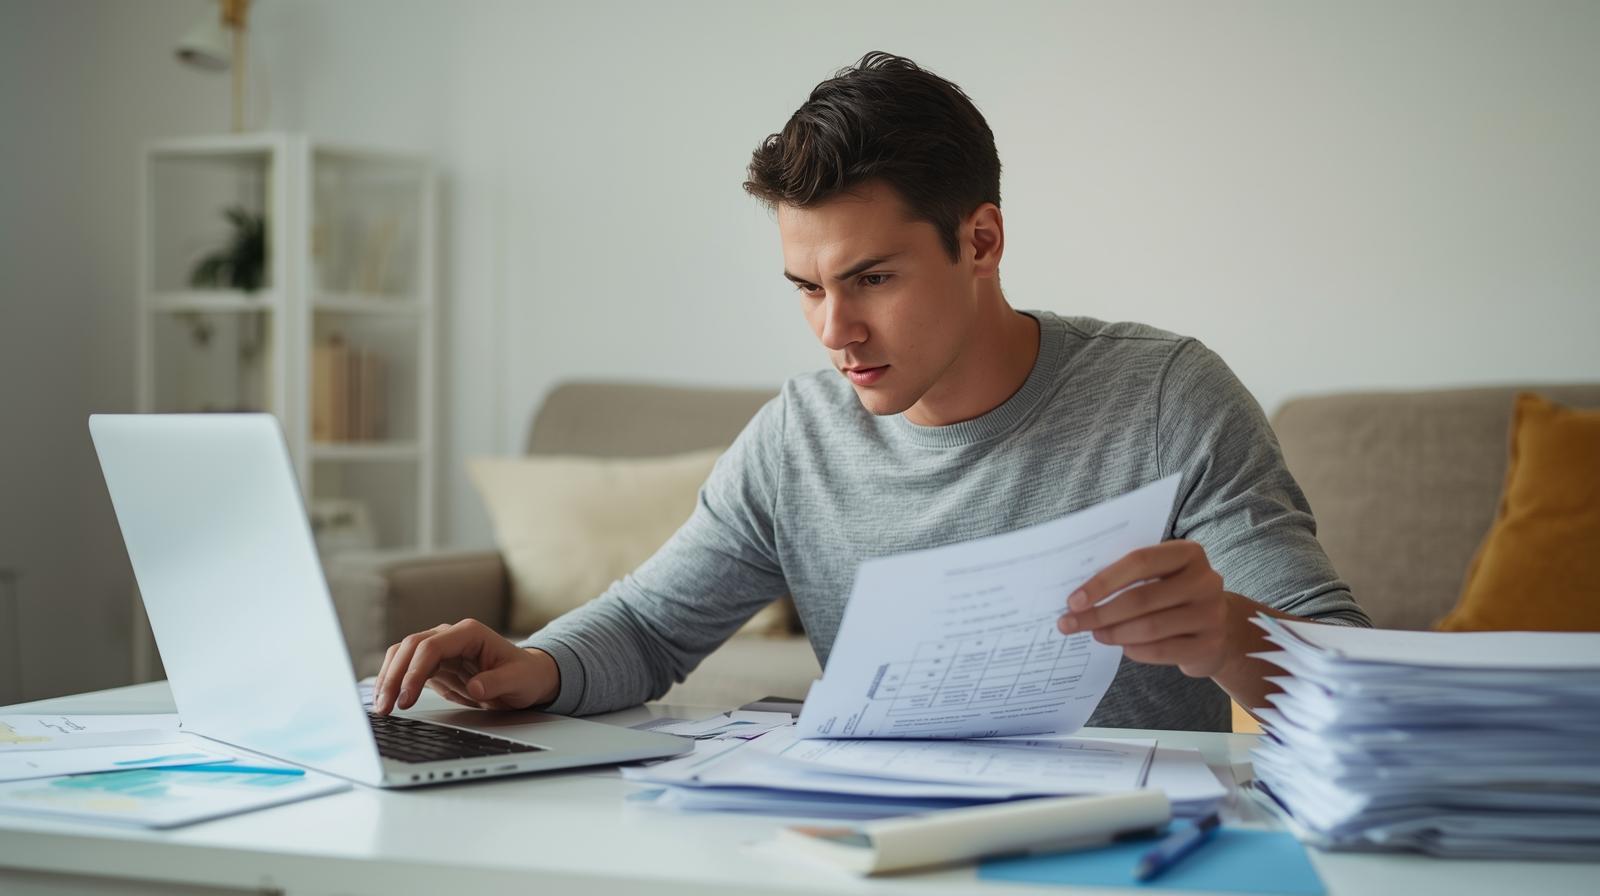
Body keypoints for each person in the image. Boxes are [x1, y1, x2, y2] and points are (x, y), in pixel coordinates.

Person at [372, 51, 1369, 732]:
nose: (833, 329)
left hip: (1125, 850)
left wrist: (1230, 634)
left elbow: (1351, 684)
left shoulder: (1164, 398)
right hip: (878, 855)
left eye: (872, 278)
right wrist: (532, 663)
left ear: (980, 240)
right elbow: (647, 625)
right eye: (806, 287)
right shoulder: (799, 435)